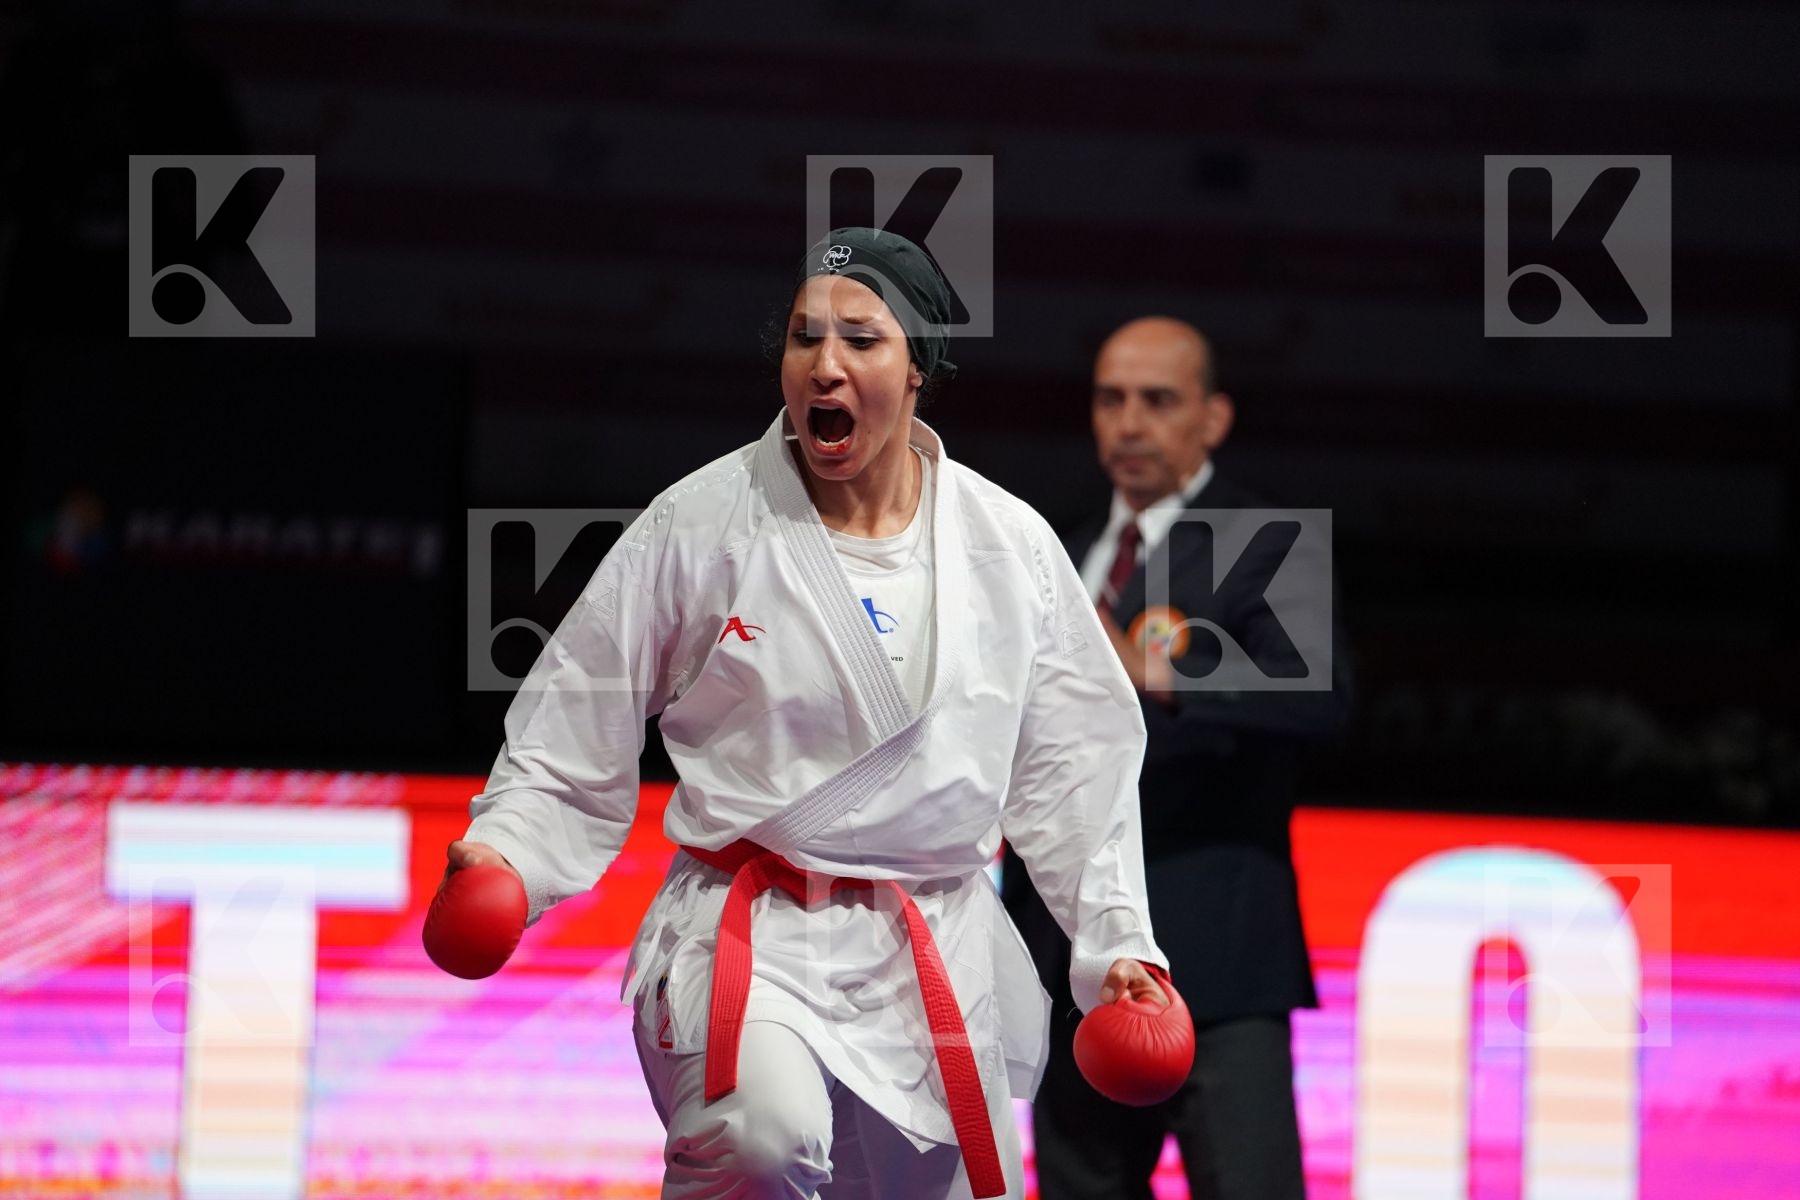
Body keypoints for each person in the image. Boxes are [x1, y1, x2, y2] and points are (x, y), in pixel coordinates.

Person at [441, 228, 1172, 1200]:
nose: (824, 366)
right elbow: (576, 720)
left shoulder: (1010, 546)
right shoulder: (704, 521)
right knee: (761, 1142)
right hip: (748, 932)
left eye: (862, 340)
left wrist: (1119, 946)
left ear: (919, 371)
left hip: (931, 947)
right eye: (802, 338)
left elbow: (1076, 769)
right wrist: (507, 856)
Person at [1002, 318, 1352, 1200]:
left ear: (1213, 416)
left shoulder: (1268, 537)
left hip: (1218, 959)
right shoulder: (1058, 550)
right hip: (1072, 963)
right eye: (1110, 399)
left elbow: (1326, 694)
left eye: (1157, 400)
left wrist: (1166, 671)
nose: (1128, 422)